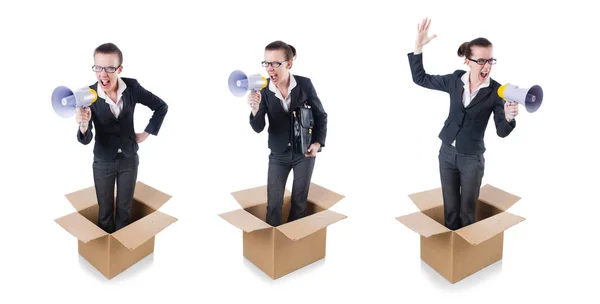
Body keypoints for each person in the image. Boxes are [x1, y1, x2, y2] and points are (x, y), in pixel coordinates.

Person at [407, 18, 519, 230]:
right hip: (447, 153)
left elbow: (502, 132)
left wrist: (508, 117)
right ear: (467, 61)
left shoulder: (496, 92)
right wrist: (418, 47)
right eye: (481, 61)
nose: (487, 66)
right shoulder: (454, 80)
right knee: (450, 208)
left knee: (467, 212)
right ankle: (451, 254)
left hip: (471, 159)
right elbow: (420, 78)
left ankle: (467, 254)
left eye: (491, 61)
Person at [77, 43, 168, 233]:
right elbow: (86, 139)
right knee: (105, 213)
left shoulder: (132, 87)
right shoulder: (88, 95)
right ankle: (106, 255)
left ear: (119, 69)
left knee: (124, 211)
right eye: (98, 67)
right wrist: (83, 125)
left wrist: (146, 133)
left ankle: (123, 252)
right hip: (103, 162)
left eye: (110, 68)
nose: (103, 74)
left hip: (129, 159)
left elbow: (161, 107)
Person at [248, 40, 327, 227]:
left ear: (288, 64)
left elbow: (321, 115)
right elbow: (258, 127)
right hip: (278, 155)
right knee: (274, 204)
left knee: (299, 203)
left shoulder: (305, 84)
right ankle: (273, 247)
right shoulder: (263, 89)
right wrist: (255, 109)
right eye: (266, 63)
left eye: (276, 63)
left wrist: (317, 143)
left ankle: (294, 245)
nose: (270, 68)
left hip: (304, 153)